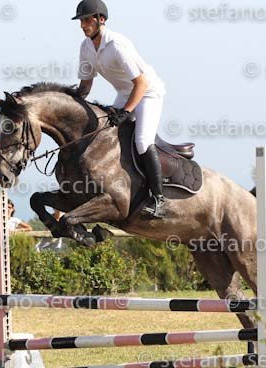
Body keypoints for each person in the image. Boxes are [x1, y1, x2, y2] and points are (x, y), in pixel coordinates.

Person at [73, 0, 168, 219]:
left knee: (142, 140)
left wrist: (125, 111)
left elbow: (141, 83)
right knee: (104, 132)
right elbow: (85, 85)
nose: (82, 25)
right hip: (125, 93)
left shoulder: (116, 44)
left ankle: (158, 199)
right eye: (81, 21)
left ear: (101, 19)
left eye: (86, 20)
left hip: (148, 92)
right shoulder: (86, 47)